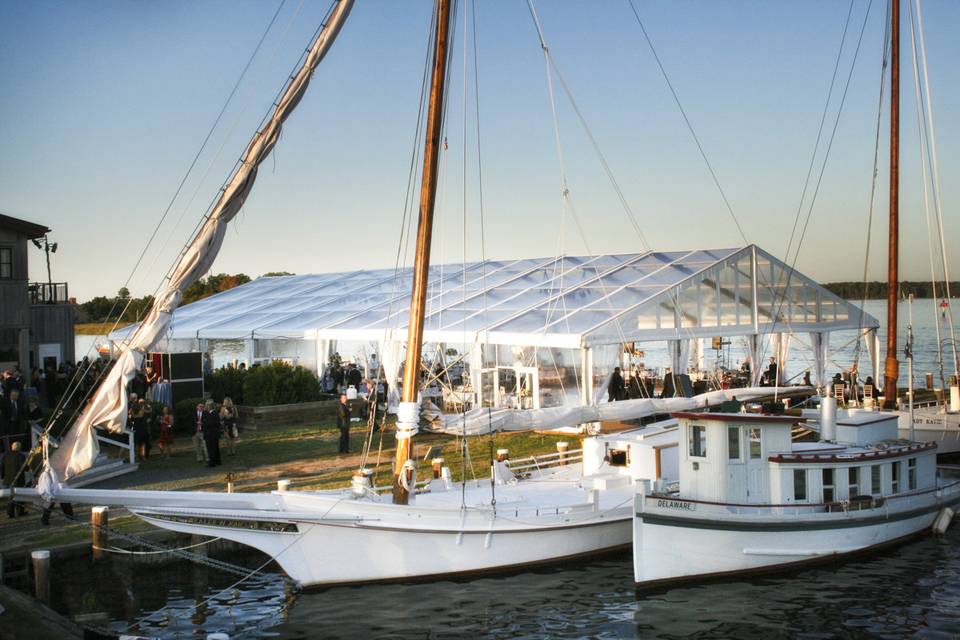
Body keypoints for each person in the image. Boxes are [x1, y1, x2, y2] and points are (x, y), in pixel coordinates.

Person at [2, 441, 27, 518]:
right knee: (20, 494)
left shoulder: (6, 455)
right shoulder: (21, 456)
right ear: (19, 448)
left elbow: (2, 466)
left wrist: (3, 477)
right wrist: (28, 468)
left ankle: (10, 512)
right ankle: (20, 511)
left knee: (11, 495)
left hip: (8, 479)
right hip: (18, 479)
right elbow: (24, 467)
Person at [1, 388, 23, 453]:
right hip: (8, 426)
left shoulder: (19, 402)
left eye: (16, 396)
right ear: (10, 395)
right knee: (9, 440)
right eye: (13, 395)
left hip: (17, 425)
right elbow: (4, 414)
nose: (15, 397)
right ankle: (9, 452)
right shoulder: (5, 403)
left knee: (16, 439)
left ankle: (16, 451)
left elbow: (21, 413)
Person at [201, 399, 222, 467]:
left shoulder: (215, 413)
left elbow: (216, 423)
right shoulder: (205, 413)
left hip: (214, 433)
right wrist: (206, 422)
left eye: (209, 405)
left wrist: (207, 422)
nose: (208, 406)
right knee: (210, 448)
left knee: (214, 448)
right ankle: (214, 461)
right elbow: (203, 421)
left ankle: (214, 462)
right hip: (207, 433)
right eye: (207, 405)